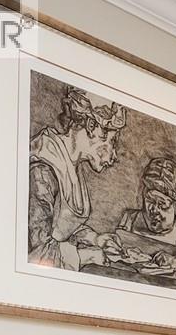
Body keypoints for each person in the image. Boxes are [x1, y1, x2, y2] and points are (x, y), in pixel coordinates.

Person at [26, 86, 126, 270]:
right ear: (91, 126)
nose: (114, 156)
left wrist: (95, 239)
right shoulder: (43, 168)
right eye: (112, 141)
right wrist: (85, 256)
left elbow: (60, 228)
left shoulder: (71, 165)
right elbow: (35, 252)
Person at [114, 155, 176, 284]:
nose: (154, 210)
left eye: (162, 204)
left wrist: (175, 261)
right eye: (150, 200)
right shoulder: (129, 220)